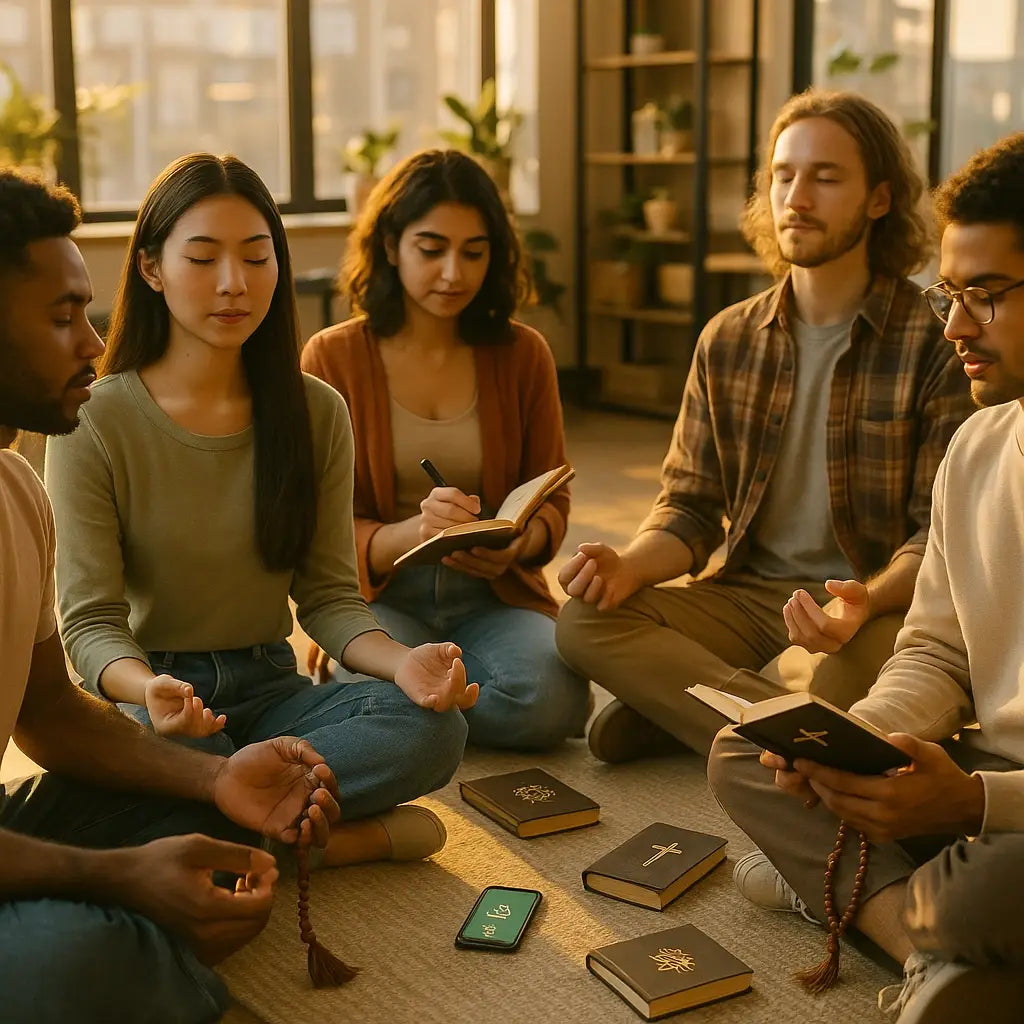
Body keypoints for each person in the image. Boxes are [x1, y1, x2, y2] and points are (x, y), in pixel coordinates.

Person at [44, 153, 476, 870]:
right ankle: (339, 840)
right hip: (158, 701)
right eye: (203, 257)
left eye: (256, 256)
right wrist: (145, 686)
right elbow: (88, 624)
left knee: (432, 730)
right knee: (120, 775)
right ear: (151, 268)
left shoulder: (314, 411)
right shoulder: (97, 417)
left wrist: (404, 665)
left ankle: (224, 833)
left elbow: (332, 600)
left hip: (274, 689)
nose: (233, 283)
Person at [0, 167, 342, 1023]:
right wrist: (118, 876)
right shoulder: (104, 427)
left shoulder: (15, 488)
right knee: (74, 961)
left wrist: (217, 779)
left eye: (86, 309)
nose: (92, 340)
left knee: (202, 815)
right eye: (60, 317)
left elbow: (50, 713)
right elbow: (97, 630)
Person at [708, 133, 1024, 1024]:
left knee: (983, 885)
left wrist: (970, 801)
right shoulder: (980, 447)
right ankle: (936, 949)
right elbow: (935, 648)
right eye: (949, 294)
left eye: (985, 298)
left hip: (994, 805)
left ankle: (880, 904)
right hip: (973, 778)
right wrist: (858, 748)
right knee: (743, 756)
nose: (955, 326)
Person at [556, 89, 973, 761]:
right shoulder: (728, 338)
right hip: (750, 595)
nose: (797, 197)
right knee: (583, 623)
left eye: (825, 177)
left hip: (872, 600)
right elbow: (690, 507)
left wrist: (863, 599)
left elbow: (939, 535)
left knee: (861, 697)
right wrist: (630, 564)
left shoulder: (934, 341)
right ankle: (770, 730)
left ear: (879, 199)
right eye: (784, 175)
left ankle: (687, 716)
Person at [300, 149, 589, 750]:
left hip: (495, 596)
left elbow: (552, 505)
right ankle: (396, 701)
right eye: (431, 250)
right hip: (381, 597)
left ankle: (401, 713)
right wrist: (416, 533)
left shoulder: (523, 354)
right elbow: (316, 531)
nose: (454, 273)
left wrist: (515, 544)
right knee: (386, 675)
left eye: (474, 252)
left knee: (550, 700)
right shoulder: (331, 358)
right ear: (389, 245)